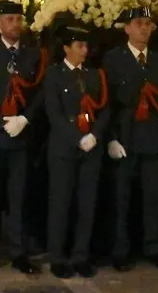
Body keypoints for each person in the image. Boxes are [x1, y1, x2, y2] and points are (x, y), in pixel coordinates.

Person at [0, 0, 48, 276]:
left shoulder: (33, 55)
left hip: (21, 135)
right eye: (10, 19)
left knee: (19, 197)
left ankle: (18, 253)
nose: (16, 24)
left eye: (19, 19)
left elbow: (39, 91)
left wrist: (25, 118)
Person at [103, 7, 158, 271]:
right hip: (125, 137)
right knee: (121, 199)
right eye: (138, 23)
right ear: (127, 28)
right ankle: (121, 250)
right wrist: (110, 138)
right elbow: (106, 102)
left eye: (148, 24)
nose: (144, 28)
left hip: (153, 137)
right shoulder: (113, 59)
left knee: (153, 197)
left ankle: (152, 247)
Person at [44, 24, 111, 279]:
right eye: (79, 46)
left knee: (87, 203)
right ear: (66, 48)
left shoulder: (95, 75)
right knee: (60, 203)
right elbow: (54, 113)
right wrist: (77, 137)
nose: (84, 51)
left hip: (91, 146)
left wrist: (95, 135)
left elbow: (105, 108)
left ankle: (81, 255)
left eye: (86, 46)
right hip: (64, 147)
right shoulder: (55, 74)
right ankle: (58, 256)